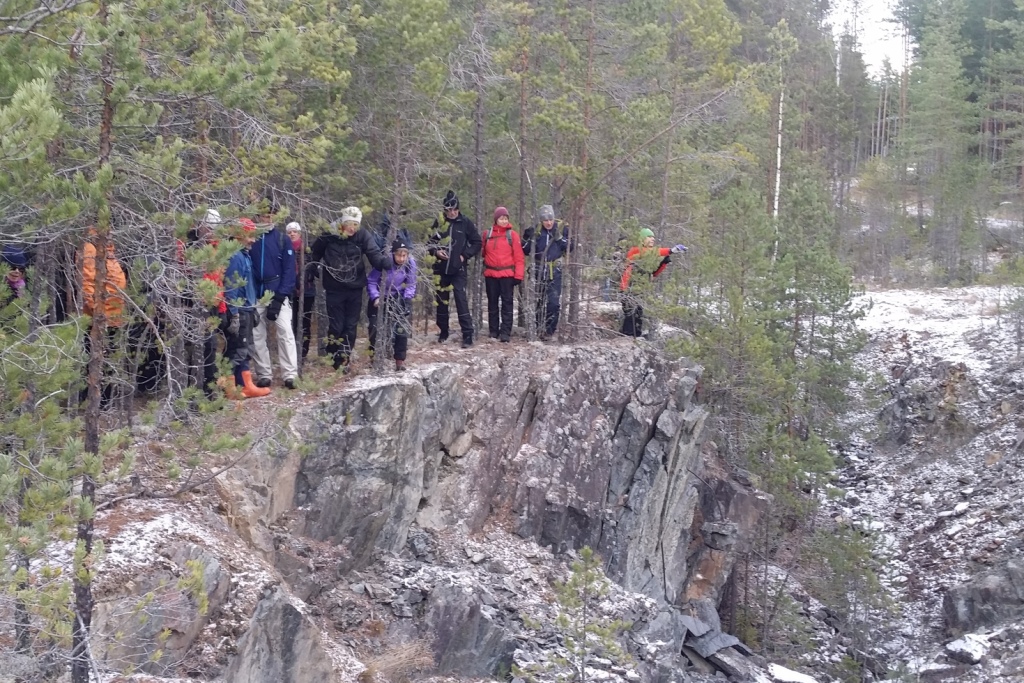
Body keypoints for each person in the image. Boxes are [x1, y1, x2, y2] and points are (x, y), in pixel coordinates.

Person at [310, 206, 391, 372]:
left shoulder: (362, 235)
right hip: (334, 288)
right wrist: (312, 268)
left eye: (355, 224)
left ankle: (343, 358)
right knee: (336, 326)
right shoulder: (329, 233)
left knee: (351, 325)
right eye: (349, 223)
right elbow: (315, 251)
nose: (352, 228)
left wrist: (384, 262)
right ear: (342, 222)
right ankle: (333, 353)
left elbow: (373, 253)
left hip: (355, 286)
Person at [250, 198, 299, 389]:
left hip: (277, 291)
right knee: (256, 334)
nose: (267, 217)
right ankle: (264, 374)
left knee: (285, 331)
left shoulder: (282, 239)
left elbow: (289, 270)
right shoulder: (251, 238)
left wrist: (280, 297)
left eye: (270, 214)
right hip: (256, 293)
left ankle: (290, 375)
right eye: (264, 214)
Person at [79, 229, 128, 407]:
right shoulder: (90, 251)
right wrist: (99, 314)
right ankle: (93, 402)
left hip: (114, 318)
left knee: (107, 360)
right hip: (98, 320)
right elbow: (87, 286)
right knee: (94, 360)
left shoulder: (109, 253)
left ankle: (105, 400)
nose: (111, 233)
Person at [222, 219, 270, 399]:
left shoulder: (245, 255)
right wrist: (233, 314)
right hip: (239, 310)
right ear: (239, 235)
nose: (253, 240)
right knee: (237, 349)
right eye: (249, 235)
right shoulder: (235, 256)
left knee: (247, 348)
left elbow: (248, 285)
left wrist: (254, 308)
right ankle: (229, 387)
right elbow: (231, 288)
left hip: (247, 308)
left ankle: (245, 385)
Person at [427, 190, 481, 348]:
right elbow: (428, 242)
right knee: (441, 301)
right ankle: (443, 331)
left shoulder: (465, 223)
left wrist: (465, 255)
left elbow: (477, 242)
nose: (452, 212)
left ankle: (467, 334)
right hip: (440, 268)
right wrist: (436, 252)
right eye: (449, 209)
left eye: (455, 209)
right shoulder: (438, 222)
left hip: (459, 269)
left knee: (460, 299)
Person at [619, 228, 686, 338]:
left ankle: (636, 337)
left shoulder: (649, 256)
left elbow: (653, 273)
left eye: (653, 237)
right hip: (629, 289)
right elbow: (650, 252)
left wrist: (664, 263)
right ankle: (627, 337)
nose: (652, 239)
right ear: (642, 239)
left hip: (641, 290)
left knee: (638, 314)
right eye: (649, 236)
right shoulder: (635, 251)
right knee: (630, 315)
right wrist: (670, 250)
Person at [522, 204, 572, 340]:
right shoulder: (536, 230)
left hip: (555, 270)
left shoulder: (562, 228)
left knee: (553, 303)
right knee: (538, 301)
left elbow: (570, 247)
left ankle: (549, 331)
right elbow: (525, 250)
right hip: (538, 269)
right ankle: (537, 329)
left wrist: (559, 238)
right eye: (545, 220)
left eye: (550, 219)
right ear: (541, 220)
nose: (548, 222)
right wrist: (528, 238)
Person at [367, 237, 417, 371]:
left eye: (404, 255)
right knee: (375, 327)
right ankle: (375, 358)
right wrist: (375, 297)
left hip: (398, 296)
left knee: (401, 329)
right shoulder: (384, 262)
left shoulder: (410, 263)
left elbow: (411, 283)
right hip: (380, 297)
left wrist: (407, 299)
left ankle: (399, 360)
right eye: (398, 255)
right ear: (393, 254)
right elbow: (371, 281)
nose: (401, 258)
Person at [481, 206, 524, 343]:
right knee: (492, 303)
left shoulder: (513, 235)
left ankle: (505, 332)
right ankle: (493, 331)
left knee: (507, 304)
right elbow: (483, 253)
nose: (504, 221)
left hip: (507, 275)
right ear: (496, 219)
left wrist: (519, 275)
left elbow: (519, 257)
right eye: (501, 218)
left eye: (506, 218)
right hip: (491, 274)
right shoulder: (487, 234)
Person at [286, 221, 316, 362]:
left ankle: (303, 353)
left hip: (308, 291)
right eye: (289, 232)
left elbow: (314, 269)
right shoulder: (284, 249)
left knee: (305, 323)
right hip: (289, 292)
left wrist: (305, 279)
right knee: (292, 323)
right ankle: (293, 353)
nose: (292, 234)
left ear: (299, 233)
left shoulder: (308, 249)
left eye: (294, 231)